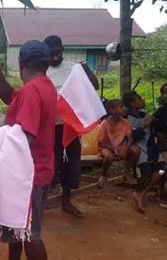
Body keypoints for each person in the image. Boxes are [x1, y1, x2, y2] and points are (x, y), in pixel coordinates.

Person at [0, 40, 57, 260]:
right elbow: (12, 98)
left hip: (29, 174)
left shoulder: (31, 91)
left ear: (22, 65)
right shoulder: (44, 86)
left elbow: (24, 138)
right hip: (37, 169)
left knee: (29, 233)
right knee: (18, 227)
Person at [43, 35, 99, 218]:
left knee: (71, 166)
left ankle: (66, 202)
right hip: (50, 128)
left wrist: (84, 69)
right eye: (52, 53)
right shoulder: (42, 71)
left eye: (59, 51)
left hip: (71, 128)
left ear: (63, 49)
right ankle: (40, 204)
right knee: (49, 166)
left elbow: (94, 86)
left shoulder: (74, 68)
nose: (56, 56)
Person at [122, 91, 166, 213]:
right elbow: (132, 137)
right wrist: (145, 125)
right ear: (132, 103)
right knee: (144, 173)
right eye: (139, 98)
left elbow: (154, 131)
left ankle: (141, 194)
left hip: (152, 149)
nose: (142, 100)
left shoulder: (144, 114)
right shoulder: (126, 119)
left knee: (161, 171)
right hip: (139, 150)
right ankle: (138, 191)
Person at [96, 99, 140, 189]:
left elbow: (130, 139)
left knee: (135, 151)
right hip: (107, 147)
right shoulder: (104, 124)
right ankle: (104, 175)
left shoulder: (125, 122)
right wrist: (114, 149)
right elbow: (101, 142)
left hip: (120, 147)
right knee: (109, 156)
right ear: (112, 110)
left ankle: (127, 171)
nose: (124, 108)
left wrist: (125, 149)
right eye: (121, 106)